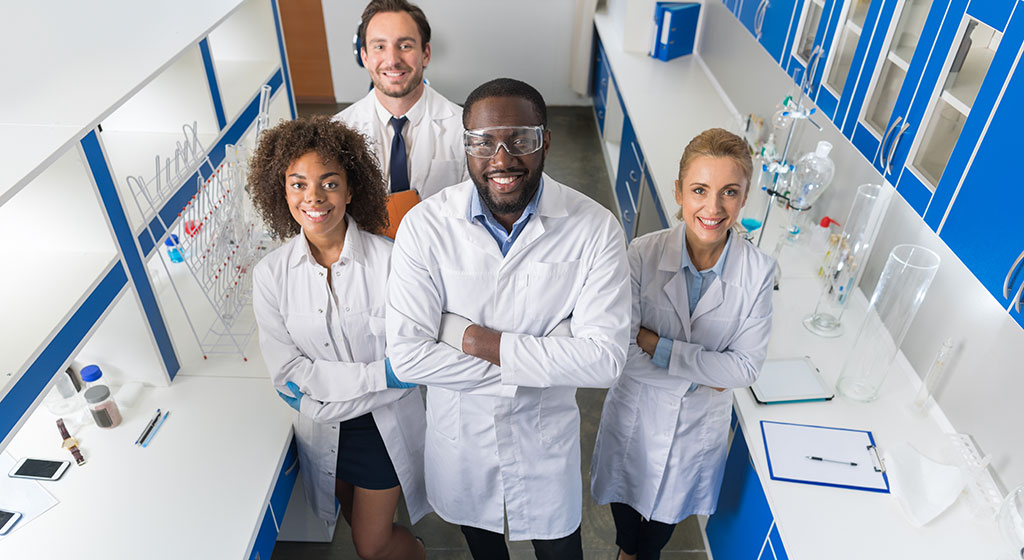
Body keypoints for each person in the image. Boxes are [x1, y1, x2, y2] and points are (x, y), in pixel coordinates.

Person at [385, 78, 631, 560]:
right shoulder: (425, 227)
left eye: (520, 139)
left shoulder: (595, 228)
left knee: (561, 550)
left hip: (543, 444)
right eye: (482, 142)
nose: (501, 158)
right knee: (484, 549)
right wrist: (547, 353)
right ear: (466, 146)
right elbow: (408, 357)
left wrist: (467, 337)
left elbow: (604, 362)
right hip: (463, 444)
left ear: (545, 141)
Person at [590, 128, 776, 560]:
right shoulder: (640, 254)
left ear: (744, 197)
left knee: (662, 527)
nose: (713, 208)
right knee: (626, 507)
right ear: (679, 192)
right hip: (636, 414)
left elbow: (746, 369)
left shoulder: (759, 272)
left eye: (729, 192)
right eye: (699, 190)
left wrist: (658, 346)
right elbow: (622, 354)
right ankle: (626, 552)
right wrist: (703, 374)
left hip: (696, 431)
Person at [249, 116, 427, 560]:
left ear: (351, 190)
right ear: (281, 192)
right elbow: (288, 373)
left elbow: (410, 363)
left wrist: (319, 393)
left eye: (329, 183)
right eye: (298, 184)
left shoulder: (394, 262)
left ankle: (418, 554)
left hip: (382, 432)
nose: (313, 198)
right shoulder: (271, 275)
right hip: (326, 430)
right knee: (352, 518)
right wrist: (378, 379)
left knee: (371, 545)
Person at [334, 0, 468, 201]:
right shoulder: (338, 131)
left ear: (426, 54)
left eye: (405, 46)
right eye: (379, 46)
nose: (393, 60)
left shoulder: (464, 127)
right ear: (364, 57)